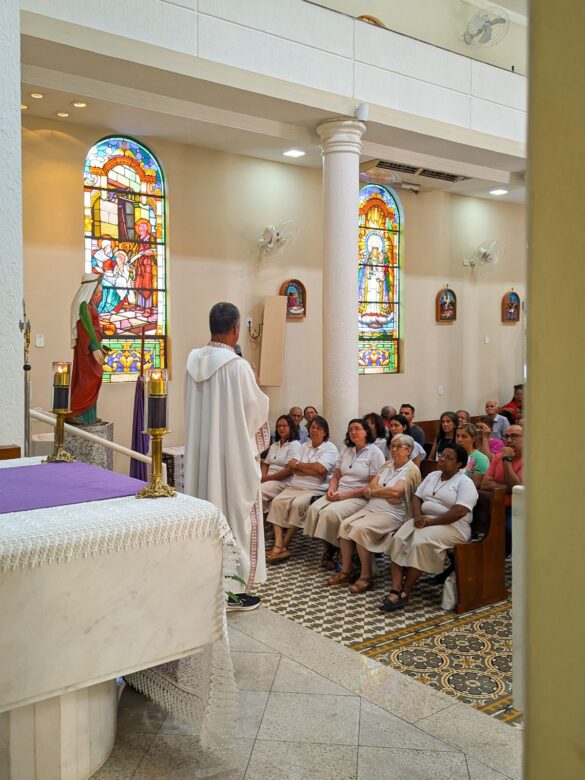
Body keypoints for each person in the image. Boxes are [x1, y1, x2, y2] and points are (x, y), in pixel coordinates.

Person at [184, 302, 269, 611]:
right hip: (232, 460)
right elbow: (255, 413)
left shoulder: (193, 361)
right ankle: (233, 593)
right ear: (235, 329)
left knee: (207, 518)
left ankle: (207, 585)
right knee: (236, 520)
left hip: (202, 456)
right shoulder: (237, 366)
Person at [381, 444, 478, 612]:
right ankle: (395, 588)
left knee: (420, 542)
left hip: (453, 526)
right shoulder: (433, 475)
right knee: (398, 538)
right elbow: (417, 496)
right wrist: (417, 516)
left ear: (459, 464)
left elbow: (460, 511)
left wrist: (431, 522)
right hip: (424, 520)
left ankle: (406, 591)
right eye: (442, 455)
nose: (442, 460)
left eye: (449, 458)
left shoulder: (465, 483)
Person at [335, 434, 421, 592]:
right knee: (345, 525)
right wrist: (385, 494)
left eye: (398, 447)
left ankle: (366, 576)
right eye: (392, 446)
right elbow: (372, 486)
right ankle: (346, 570)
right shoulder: (387, 465)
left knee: (360, 529)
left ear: (408, 450)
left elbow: (395, 492)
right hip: (372, 508)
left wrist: (376, 493)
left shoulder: (411, 470)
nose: (394, 449)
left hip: (393, 513)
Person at [304, 419, 385, 565]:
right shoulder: (346, 449)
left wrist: (346, 495)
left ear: (366, 431)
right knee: (314, 509)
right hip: (339, 492)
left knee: (330, 514)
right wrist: (331, 489)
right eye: (350, 429)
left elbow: (372, 486)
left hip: (360, 496)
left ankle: (337, 551)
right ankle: (328, 548)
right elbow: (336, 476)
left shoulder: (375, 453)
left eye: (357, 429)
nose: (353, 432)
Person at [266, 416, 338, 563]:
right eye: (312, 427)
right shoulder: (304, 445)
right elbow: (291, 467)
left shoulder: (330, 448)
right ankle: (279, 544)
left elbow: (320, 468)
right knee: (277, 502)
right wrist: (313, 471)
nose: (314, 430)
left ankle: (284, 545)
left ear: (325, 432)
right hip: (296, 485)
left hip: (315, 488)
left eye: (318, 428)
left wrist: (300, 466)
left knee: (297, 505)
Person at [68, 273, 105, 425]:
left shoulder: (90, 304)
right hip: (88, 349)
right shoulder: (83, 305)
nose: (100, 292)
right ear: (91, 288)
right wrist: (94, 347)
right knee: (88, 379)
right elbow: (85, 328)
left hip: (93, 345)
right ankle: (75, 412)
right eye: (98, 289)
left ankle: (89, 416)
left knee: (93, 379)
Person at [481, 424, 524, 554]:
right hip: (495, 507)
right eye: (506, 436)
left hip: (517, 511)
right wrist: (508, 488)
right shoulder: (498, 456)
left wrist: (507, 460)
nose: (509, 440)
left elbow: (516, 488)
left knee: (507, 531)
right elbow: (485, 484)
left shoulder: (529, 459)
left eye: (514, 436)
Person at [261, 415, 301, 512]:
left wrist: (266, 479)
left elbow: (289, 470)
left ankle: (261, 517)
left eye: (284, 426)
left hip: (283, 482)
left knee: (258, 492)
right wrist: (263, 476)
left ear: (291, 427)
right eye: (279, 426)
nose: (281, 428)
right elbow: (266, 464)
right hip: (268, 479)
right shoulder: (275, 445)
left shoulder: (295, 445)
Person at [133, 218, 157, 315]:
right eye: (139, 229)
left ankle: (147, 307)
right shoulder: (139, 240)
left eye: (142, 228)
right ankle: (140, 305)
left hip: (149, 265)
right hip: (139, 265)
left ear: (147, 229)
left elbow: (157, 250)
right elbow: (134, 251)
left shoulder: (152, 239)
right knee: (139, 283)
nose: (140, 230)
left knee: (147, 284)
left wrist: (151, 252)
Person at [455, 423, 490, 487]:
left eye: (464, 437)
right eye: (457, 436)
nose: (459, 440)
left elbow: (473, 486)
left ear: (473, 438)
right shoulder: (453, 455)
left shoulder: (480, 459)